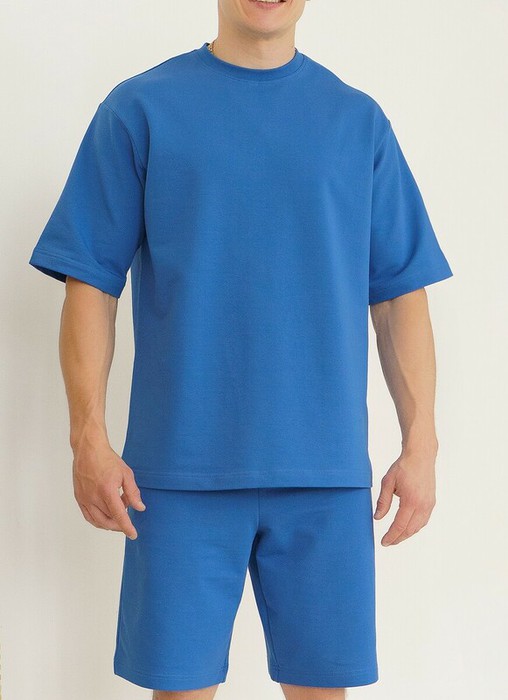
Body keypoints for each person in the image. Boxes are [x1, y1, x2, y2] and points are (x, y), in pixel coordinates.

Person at [28, 1, 454, 698]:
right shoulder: (139, 109)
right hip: (177, 475)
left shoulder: (358, 122)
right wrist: (88, 438)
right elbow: (91, 282)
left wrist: (423, 443)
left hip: (324, 475)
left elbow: (400, 293)